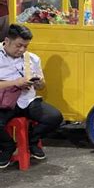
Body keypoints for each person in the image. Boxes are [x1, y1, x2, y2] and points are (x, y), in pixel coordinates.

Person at [0, 24, 64, 168]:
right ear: (7, 41)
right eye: (19, 45)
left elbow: (42, 85)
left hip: (27, 100)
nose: (22, 50)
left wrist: (39, 83)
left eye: (26, 46)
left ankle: (32, 140)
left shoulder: (33, 59)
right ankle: (8, 146)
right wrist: (15, 83)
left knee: (55, 117)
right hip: (4, 102)